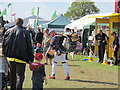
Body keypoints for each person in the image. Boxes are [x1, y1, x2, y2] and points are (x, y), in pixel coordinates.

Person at [2, 18, 34, 90]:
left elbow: (4, 44)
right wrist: (31, 59)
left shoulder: (8, 31)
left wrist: (4, 53)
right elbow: (29, 46)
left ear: (15, 23)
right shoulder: (25, 32)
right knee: (20, 76)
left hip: (10, 57)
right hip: (21, 58)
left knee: (12, 76)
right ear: (22, 24)